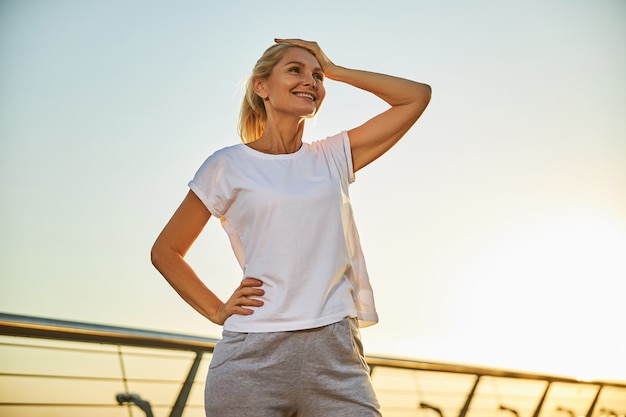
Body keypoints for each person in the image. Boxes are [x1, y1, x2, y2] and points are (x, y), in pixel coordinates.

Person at [151, 38, 431, 417]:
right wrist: (217, 310)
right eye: (295, 71)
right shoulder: (227, 165)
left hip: (336, 354)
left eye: (316, 76)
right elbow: (166, 251)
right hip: (252, 359)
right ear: (261, 86)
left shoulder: (331, 157)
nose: (311, 81)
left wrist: (334, 69)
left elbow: (416, 96)